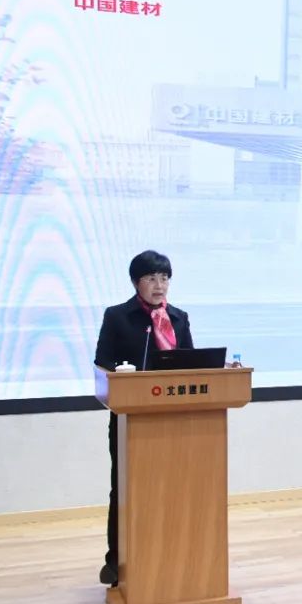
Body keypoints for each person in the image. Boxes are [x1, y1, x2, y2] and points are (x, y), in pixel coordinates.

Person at [93, 250, 194, 586]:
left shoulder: (179, 318)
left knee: (173, 489)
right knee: (124, 489)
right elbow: (102, 362)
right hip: (130, 419)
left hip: (175, 419)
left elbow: (193, 367)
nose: (159, 285)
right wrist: (123, 374)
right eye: (151, 278)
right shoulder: (118, 317)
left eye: (164, 278)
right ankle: (117, 562)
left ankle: (171, 557)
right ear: (136, 282)